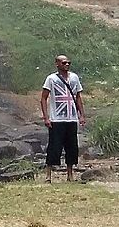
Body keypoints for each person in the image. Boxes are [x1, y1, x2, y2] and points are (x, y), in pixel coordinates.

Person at [41, 54, 86, 182]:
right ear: (57, 64)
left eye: (68, 63)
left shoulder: (74, 78)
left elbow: (78, 97)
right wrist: (46, 117)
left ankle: (70, 175)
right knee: (54, 147)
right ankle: (48, 175)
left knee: (71, 147)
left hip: (71, 119)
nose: (66, 65)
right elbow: (43, 98)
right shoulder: (51, 79)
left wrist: (81, 115)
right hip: (57, 119)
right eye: (64, 63)